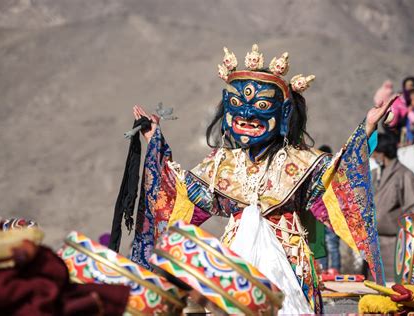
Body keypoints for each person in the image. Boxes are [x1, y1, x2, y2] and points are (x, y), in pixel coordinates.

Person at [129, 44, 395, 313]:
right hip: (236, 262)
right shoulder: (222, 164)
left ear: (284, 113)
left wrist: (369, 126)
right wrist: (154, 142)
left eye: (262, 105)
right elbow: (179, 191)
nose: (246, 114)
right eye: (236, 104)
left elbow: (337, 173)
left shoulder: (300, 161)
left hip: (289, 261)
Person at [372, 134, 414, 281]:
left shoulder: (405, 175)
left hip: (395, 245)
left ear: (382, 152)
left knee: (392, 288)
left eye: (374, 152)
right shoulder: (375, 174)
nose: (372, 156)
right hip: (373, 243)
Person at [315, 145, 341, 276]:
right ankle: (323, 269)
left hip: (333, 217)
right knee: (321, 245)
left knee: (332, 244)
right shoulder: (316, 178)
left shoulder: (335, 177)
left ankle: (334, 268)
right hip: (320, 216)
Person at [387, 77, 414, 141]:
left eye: (412, 85)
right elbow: (393, 114)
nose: (409, 88)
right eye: (407, 86)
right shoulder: (399, 99)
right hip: (398, 125)